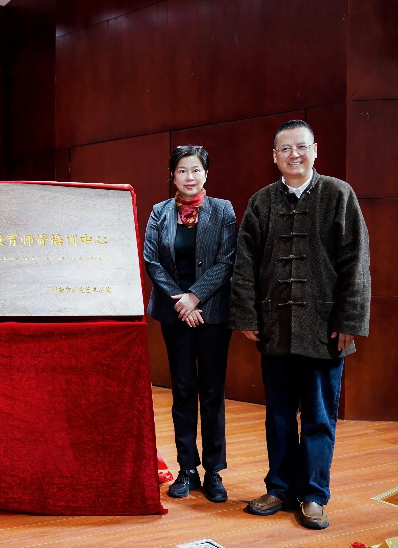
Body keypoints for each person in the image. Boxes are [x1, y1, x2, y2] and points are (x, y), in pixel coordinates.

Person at [228, 120, 370, 530]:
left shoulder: (338, 194)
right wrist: (247, 315)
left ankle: (313, 495)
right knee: (278, 415)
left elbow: (357, 262)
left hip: (326, 329)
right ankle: (279, 487)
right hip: (275, 327)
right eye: (285, 149)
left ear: (315, 150)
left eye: (301, 147)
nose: (294, 155)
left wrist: (349, 320)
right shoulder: (261, 202)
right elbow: (245, 264)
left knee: (319, 418)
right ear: (275, 157)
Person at [143, 145, 238, 503]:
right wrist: (181, 302)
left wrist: (195, 297)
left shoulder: (223, 210)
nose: (189, 177)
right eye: (182, 170)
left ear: (206, 174)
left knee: (212, 392)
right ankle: (187, 469)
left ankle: (213, 471)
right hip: (175, 315)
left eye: (196, 170)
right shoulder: (160, 212)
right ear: (173, 175)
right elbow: (152, 262)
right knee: (183, 391)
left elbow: (227, 260)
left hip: (212, 315)